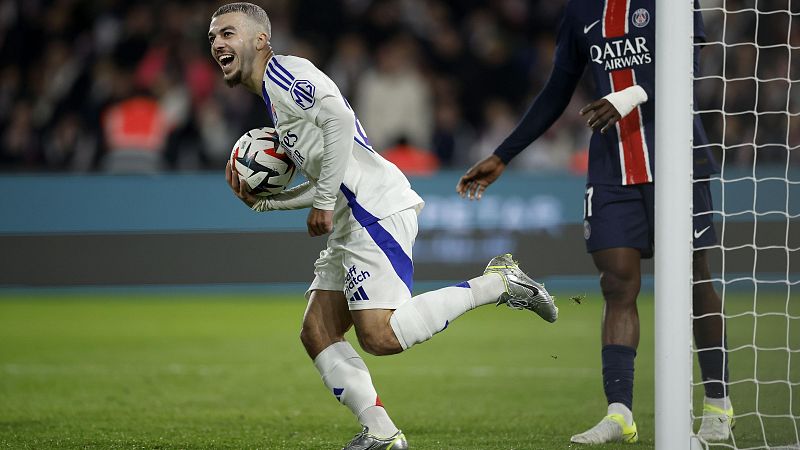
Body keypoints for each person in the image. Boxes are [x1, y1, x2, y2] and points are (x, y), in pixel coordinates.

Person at [208, 4, 559, 449]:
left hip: (373, 208)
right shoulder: (274, 100)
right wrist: (270, 204)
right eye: (213, 37)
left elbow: (337, 120)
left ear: (260, 40)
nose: (218, 42)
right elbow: (331, 175)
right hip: (349, 212)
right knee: (317, 331)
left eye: (228, 33)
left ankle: (499, 284)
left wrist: (318, 201)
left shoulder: (285, 75)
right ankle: (381, 433)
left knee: (381, 335)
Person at [457, 0, 732, 445]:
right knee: (616, 283)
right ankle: (619, 412)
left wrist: (627, 96)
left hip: (675, 157)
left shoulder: (671, 3)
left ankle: (718, 406)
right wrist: (503, 154)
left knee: (694, 279)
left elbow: (686, 67)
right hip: (611, 166)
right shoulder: (581, 9)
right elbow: (557, 88)